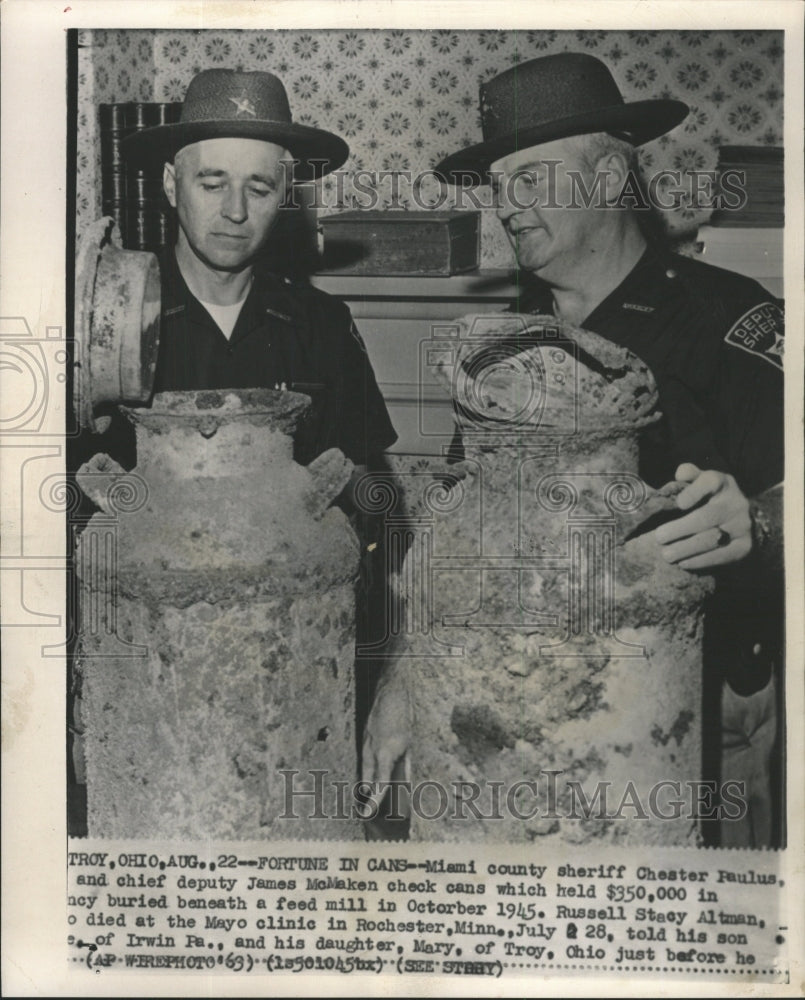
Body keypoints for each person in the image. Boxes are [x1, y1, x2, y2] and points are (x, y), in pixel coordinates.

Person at [362, 52, 784, 848]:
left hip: (693, 717)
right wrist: (403, 678)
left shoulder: (727, 321)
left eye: (532, 179)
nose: (507, 206)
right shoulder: (505, 354)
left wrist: (758, 526)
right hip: (518, 723)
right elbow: (457, 532)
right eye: (500, 184)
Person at [122, 67, 397, 473]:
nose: (236, 211)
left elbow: (357, 488)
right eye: (213, 184)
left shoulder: (324, 326)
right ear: (170, 185)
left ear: (284, 196)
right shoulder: (117, 319)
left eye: (259, 189)